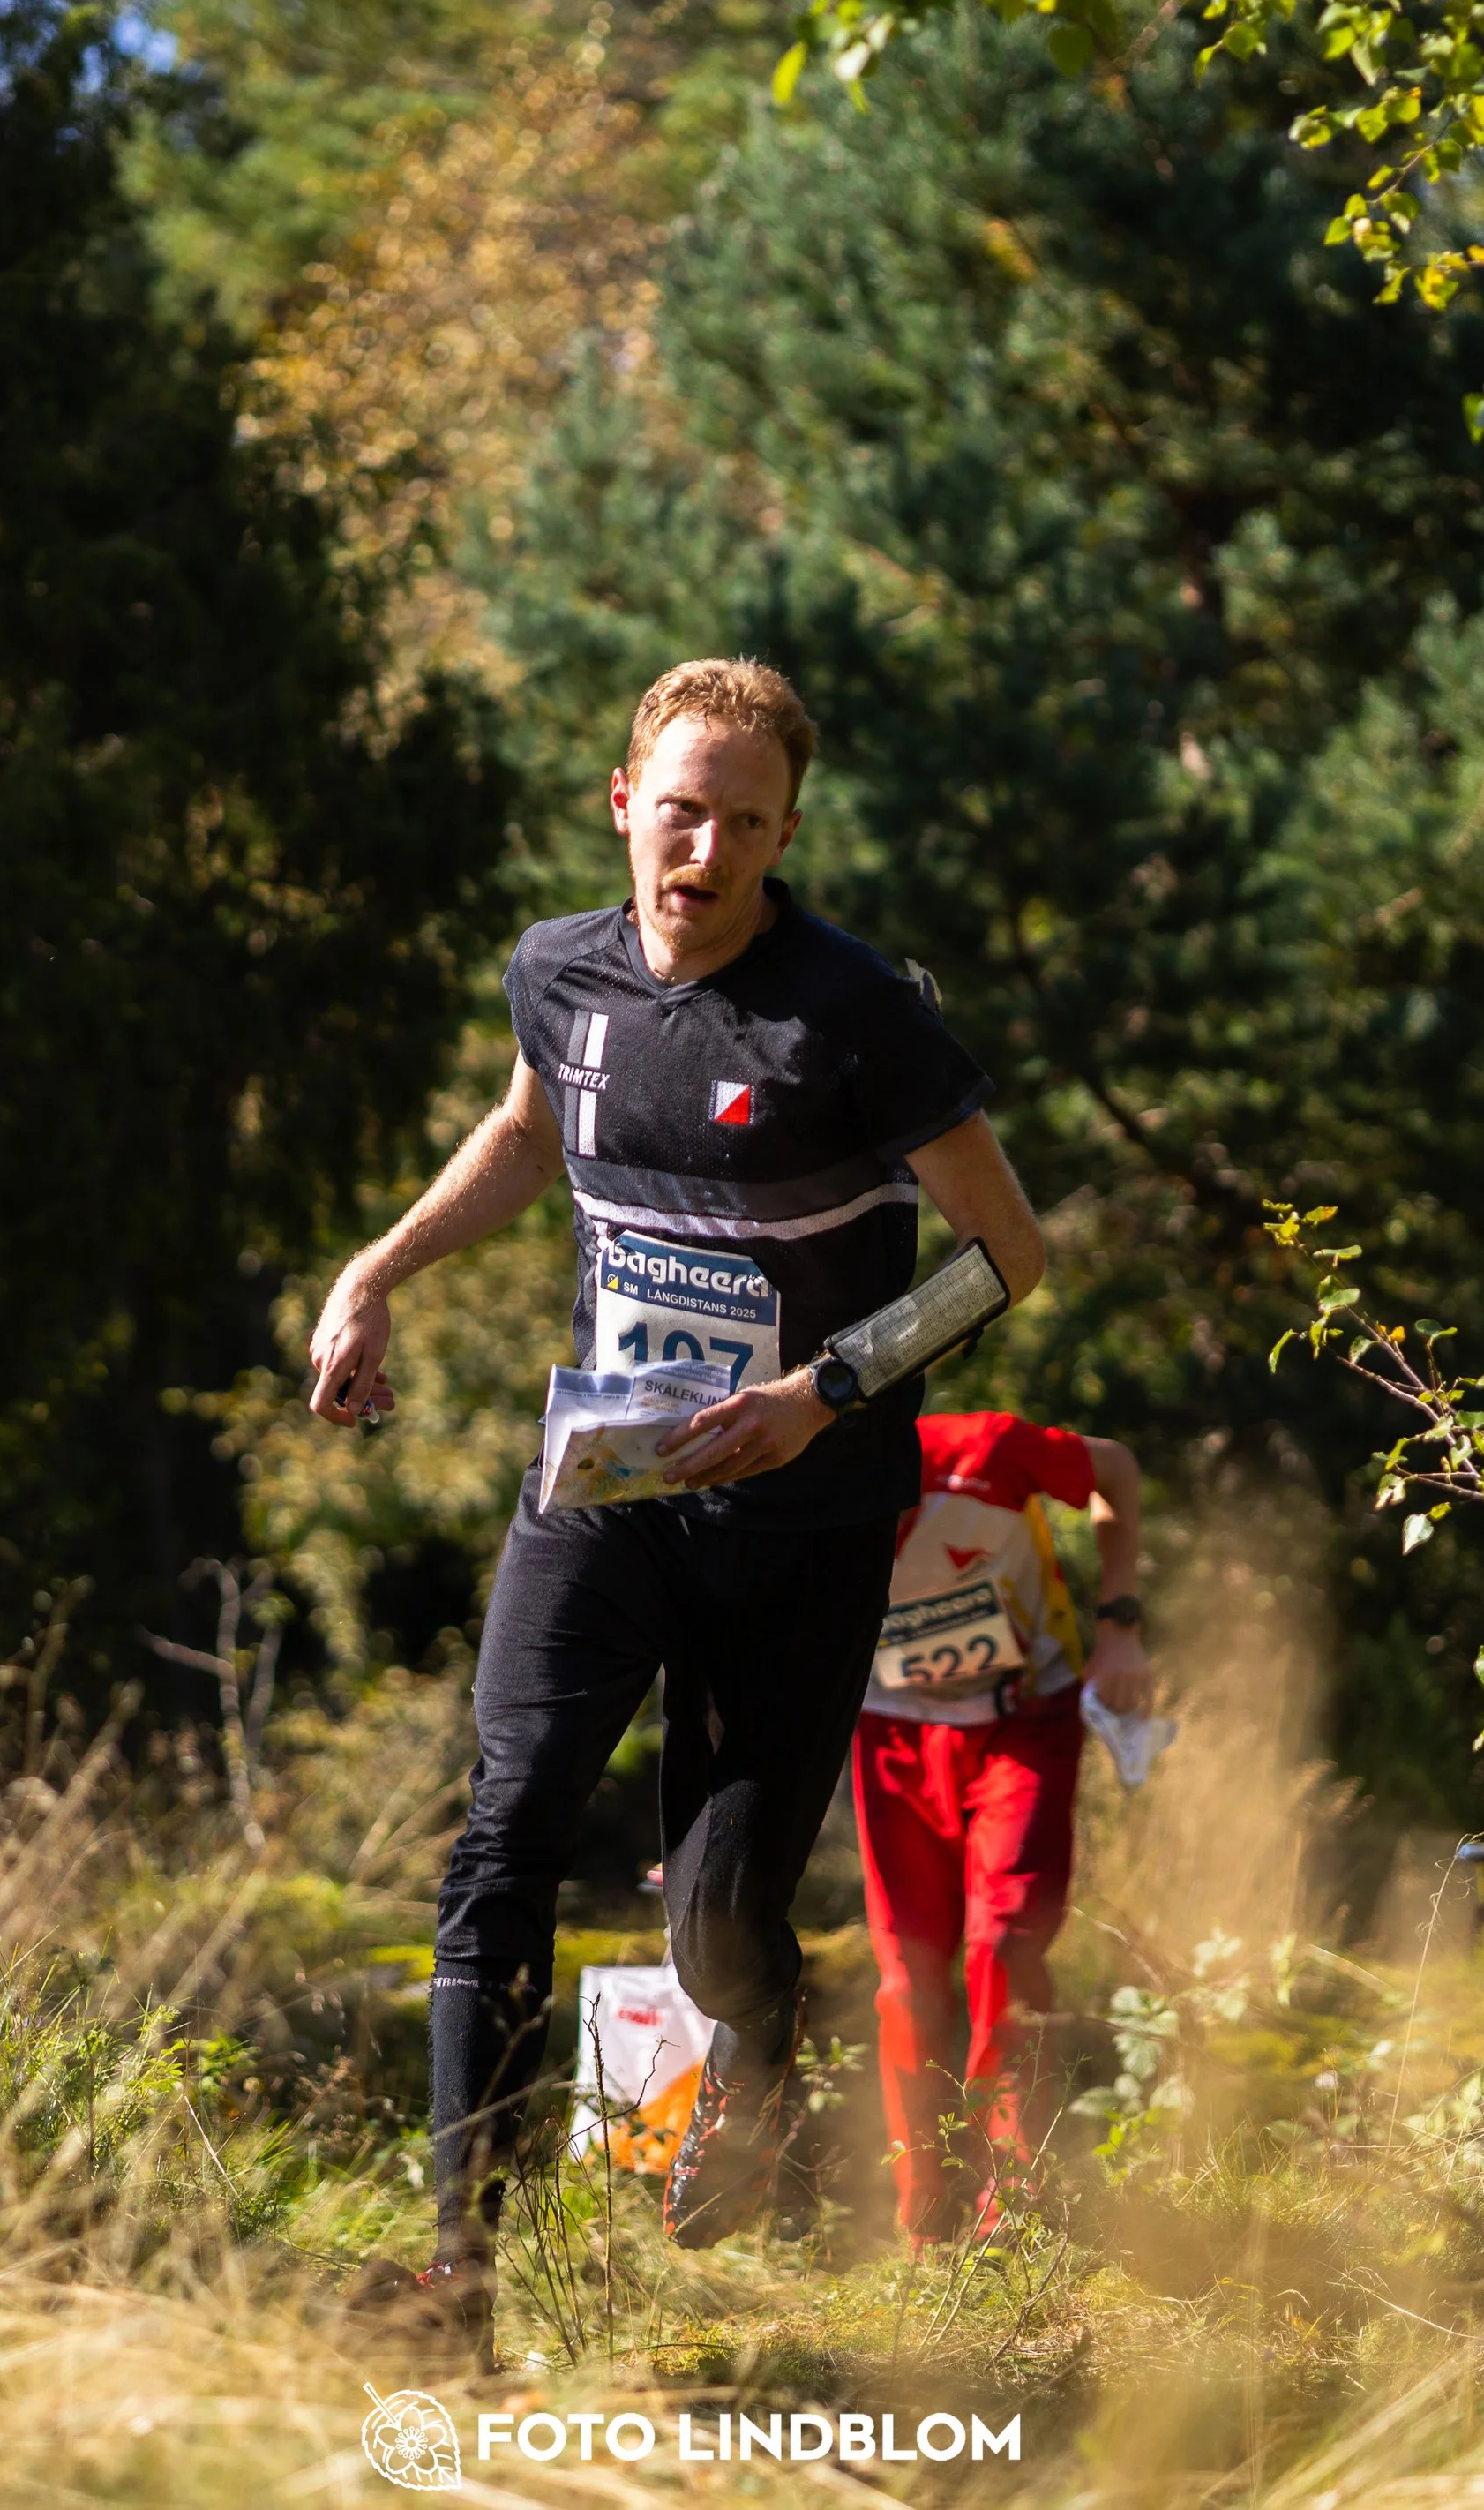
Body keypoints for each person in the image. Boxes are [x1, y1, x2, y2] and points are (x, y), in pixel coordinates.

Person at [308, 658, 1046, 2362]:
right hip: (604, 1497)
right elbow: (526, 1133)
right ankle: (456, 2282)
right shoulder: (556, 972)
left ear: (788, 836)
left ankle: (765, 2072)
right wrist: (379, 1269)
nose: (703, 848)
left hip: (802, 1520)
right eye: (681, 808)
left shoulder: (852, 1013)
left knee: (719, 1924)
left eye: (746, 822)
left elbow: (1012, 1255)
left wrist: (820, 1397)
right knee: (505, 1842)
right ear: (623, 800)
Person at [852, 1410, 1146, 2242]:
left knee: (1003, 1950)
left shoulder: (980, 1450)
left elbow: (1117, 1467)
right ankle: (925, 2224)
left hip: (1024, 1720)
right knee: (907, 1981)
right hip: (890, 1731)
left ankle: (1010, 2210)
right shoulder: (801, 1495)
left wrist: (1120, 1626)